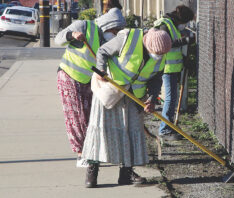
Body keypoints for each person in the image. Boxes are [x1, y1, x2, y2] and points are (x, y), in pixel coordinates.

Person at [81, 28, 172, 188]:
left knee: (132, 131)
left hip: (134, 96)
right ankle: (92, 171)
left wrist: (151, 99)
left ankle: (126, 172)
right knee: (100, 129)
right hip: (110, 89)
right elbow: (102, 51)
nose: (157, 56)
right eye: (155, 53)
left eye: (161, 54)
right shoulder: (127, 39)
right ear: (146, 43)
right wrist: (101, 69)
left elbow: (156, 78)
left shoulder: (161, 54)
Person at [55, 8, 126, 167]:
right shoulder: (84, 26)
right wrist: (71, 35)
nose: (115, 34)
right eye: (115, 30)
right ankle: (81, 155)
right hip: (69, 75)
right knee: (76, 117)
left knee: (89, 117)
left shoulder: (107, 41)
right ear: (108, 25)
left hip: (88, 81)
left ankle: (91, 151)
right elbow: (58, 39)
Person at [154, 5, 195, 141]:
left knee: (173, 98)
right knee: (171, 99)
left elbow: (174, 48)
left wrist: (183, 59)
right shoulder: (165, 25)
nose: (185, 25)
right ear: (180, 19)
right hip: (167, 67)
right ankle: (165, 130)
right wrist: (186, 40)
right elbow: (166, 44)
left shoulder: (171, 24)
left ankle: (169, 126)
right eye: (185, 22)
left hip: (173, 67)